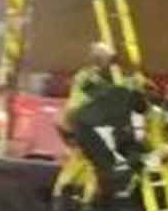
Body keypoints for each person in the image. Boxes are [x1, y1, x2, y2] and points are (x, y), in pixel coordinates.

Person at [61, 41, 146, 202]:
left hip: (85, 123)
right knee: (97, 162)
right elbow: (102, 93)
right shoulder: (88, 77)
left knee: (88, 162)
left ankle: (79, 196)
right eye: (108, 59)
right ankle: (87, 198)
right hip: (81, 123)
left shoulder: (101, 77)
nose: (110, 62)